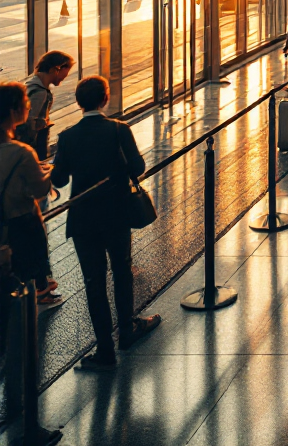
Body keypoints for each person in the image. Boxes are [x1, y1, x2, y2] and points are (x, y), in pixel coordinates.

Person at [50, 76, 160, 369]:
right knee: (122, 271)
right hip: (116, 213)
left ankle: (105, 351)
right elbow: (138, 167)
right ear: (105, 99)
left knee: (93, 282)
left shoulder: (67, 136)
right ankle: (127, 330)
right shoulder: (118, 130)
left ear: (78, 102)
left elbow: (59, 179)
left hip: (84, 219)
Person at [0, 83, 61, 305]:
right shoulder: (22, 153)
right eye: (26, 103)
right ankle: (39, 297)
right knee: (24, 275)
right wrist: (49, 172)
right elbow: (39, 190)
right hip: (21, 225)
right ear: (14, 110)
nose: (28, 106)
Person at [18, 50, 74, 161]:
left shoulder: (28, 84)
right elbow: (29, 124)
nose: (66, 76)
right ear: (55, 69)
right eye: (66, 71)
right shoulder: (40, 92)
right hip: (31, 152)